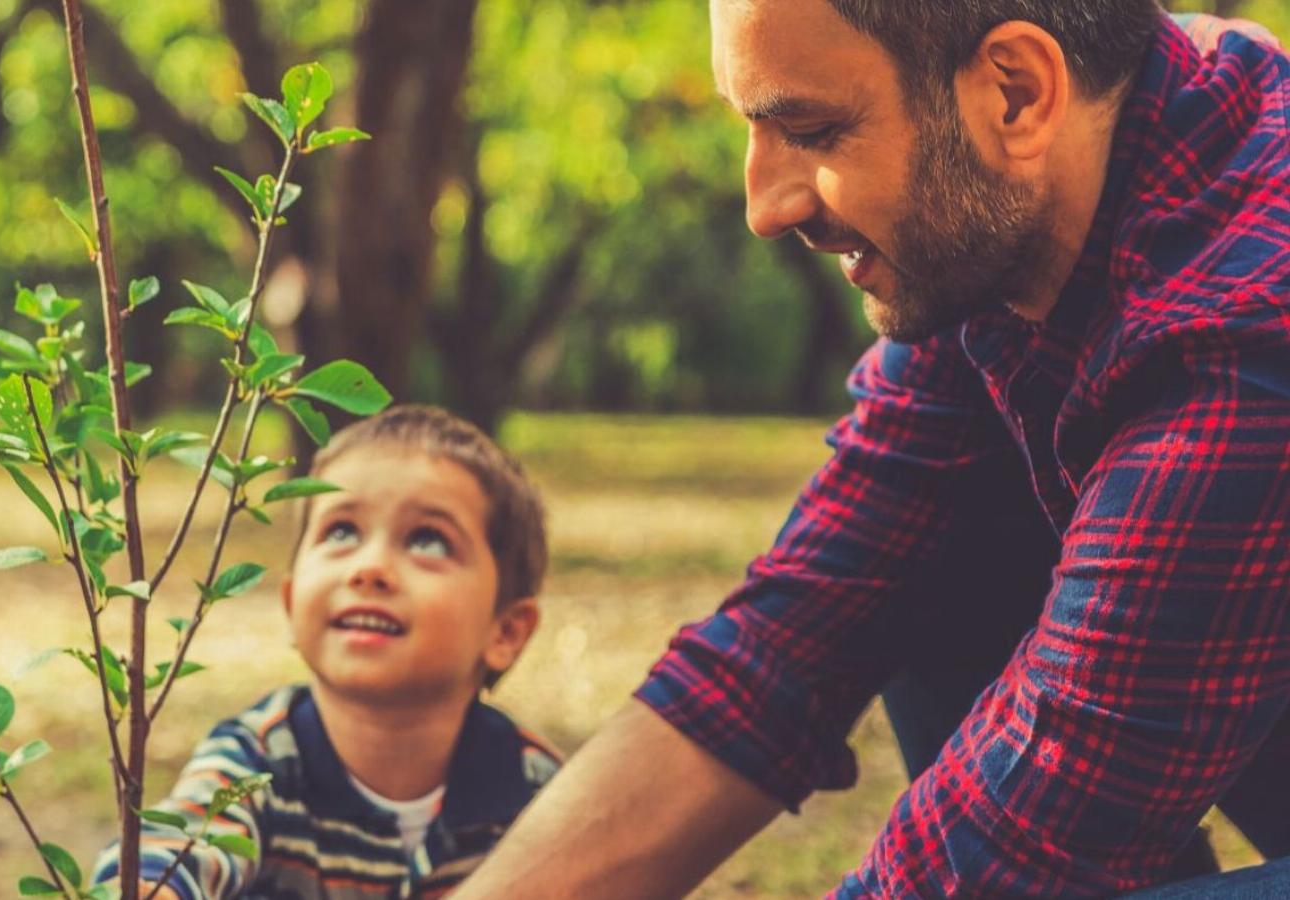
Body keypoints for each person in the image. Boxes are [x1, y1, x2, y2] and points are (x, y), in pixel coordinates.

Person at [455, 2, 1290, 897]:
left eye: (811, 130)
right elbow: (790, 637)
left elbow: (1016, 845)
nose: (764, 208)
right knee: (930, 552)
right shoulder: (1006, 227)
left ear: (1016, 92)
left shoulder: (1246, 318)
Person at [91, 405, 560, 899]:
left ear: (505, 630)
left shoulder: (537, 793)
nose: (370, 567)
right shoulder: (255, 763)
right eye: (341, 532)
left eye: (428, 540)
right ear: (292, 603)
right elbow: (174, 848)